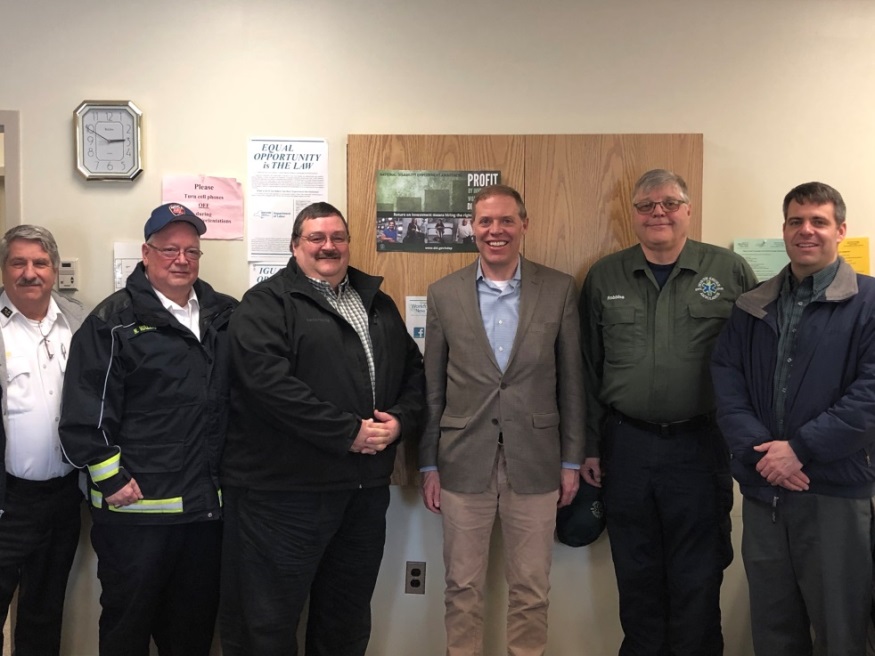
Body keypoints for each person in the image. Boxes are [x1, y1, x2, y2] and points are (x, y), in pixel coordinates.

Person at [219, 202, 425, 656]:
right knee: (266, 623)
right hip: (284, 496)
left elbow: (415, 374)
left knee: (346, 620)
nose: (328, 246)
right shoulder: (266, 304)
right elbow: (268, 387)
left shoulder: (377, 303)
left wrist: (401, 423)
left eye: (338, 237)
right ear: (295, 247)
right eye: (316, 238)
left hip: (363, 493)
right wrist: (345, 431)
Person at [580, 169, 756, 655]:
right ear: (633, 214)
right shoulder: (604, 276)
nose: (658, 212)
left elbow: (755, 361)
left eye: (670, 203)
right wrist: (590, 446)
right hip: (627, 447)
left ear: (688, 210)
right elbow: (587, 370)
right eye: (646, 205)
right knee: (635, 574)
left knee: (698, 575)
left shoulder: (729, 271)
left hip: (700, 446)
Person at [59, 203, 237, 656]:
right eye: (170, 249)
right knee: (127, 628)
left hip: (204, 515)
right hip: (136, 517)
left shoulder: (224, 316)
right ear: (146, 252)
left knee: (192, 631)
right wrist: (111, 479)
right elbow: (84, 414)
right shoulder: (111, 322)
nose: (182, 259)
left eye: (192, 251)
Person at [419, 184, 585, 656]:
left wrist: (571, 459)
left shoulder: (557, 289)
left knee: (531, 590)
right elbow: (433, 390)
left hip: (535, 462)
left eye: (506, 220)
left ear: (523, 225)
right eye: (486, 221)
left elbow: (572, 382)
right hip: (461, 461)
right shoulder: (444, 293)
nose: (496, 231)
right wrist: (428, 465)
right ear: (473, 228)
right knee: (461, 587)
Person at [712, 181, 875, 656]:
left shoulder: (868, 302)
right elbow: (727, 381)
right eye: (795, 221)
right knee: (774, 627)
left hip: (834, 492)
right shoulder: (753, 305)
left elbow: (869, 396)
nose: (806, 231)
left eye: (818, 221)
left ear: (840, 230)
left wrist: (799, 450)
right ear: (784, 229)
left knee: (840, 628)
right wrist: (765, 455)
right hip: (766, 490)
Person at [0, 225, 86, 655]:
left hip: (64, 498)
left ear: (53, 269)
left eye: (39, 263)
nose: (29, 273)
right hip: (7, 502)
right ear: (3, 270)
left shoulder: (79, 321)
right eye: (18, 262)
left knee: (44, 612)